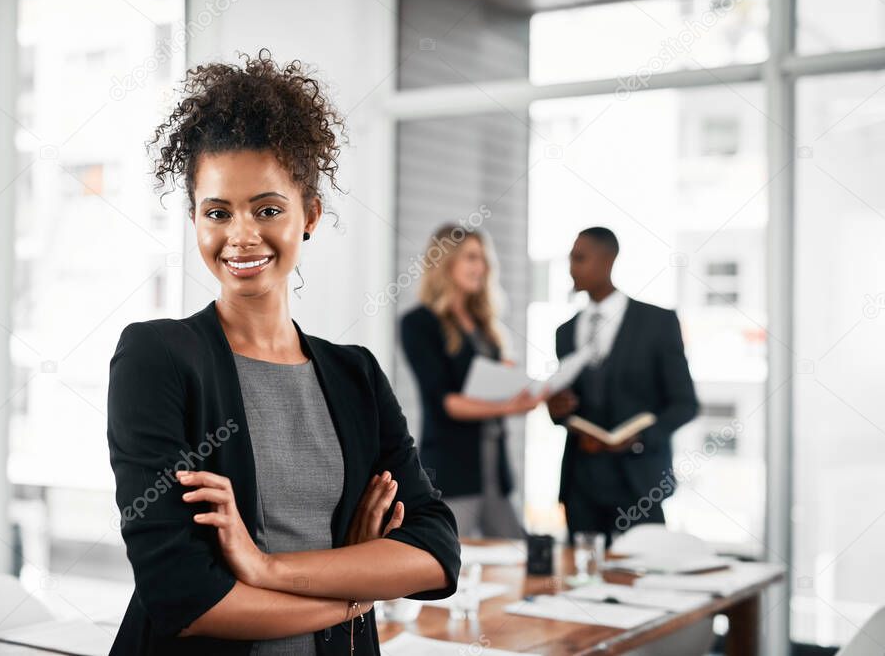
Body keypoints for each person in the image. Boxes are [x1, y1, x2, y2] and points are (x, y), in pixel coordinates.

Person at [106, 50, 459, 656]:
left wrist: (265, 568)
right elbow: (184, 600)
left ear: (310, 216)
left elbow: (436, 552)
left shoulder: (356, 375)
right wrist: (355, 586)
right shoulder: (156, 357)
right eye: (218, 212)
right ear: (195, 220)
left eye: (268, 209)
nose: (242, 235)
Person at [548, 227, 699, 547]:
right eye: (570, 259)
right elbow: (564, 405)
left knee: (643, 576)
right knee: (582, 578)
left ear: (608, 260)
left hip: (639, 482)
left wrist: (641, 437)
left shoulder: (657, 323)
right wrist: (557, 410)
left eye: (580, 258)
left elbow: (685, 403)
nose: (571, 268)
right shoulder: (565, 332)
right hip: (582, 483)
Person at [400, 225, 545, 539]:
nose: (481, 267)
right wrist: (508, 405)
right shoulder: (419, 324)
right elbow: (447, 402)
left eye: (483, 259)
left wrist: (514, 388)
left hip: (494, 470)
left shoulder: (485, 326)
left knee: (516, 554)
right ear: (446, 262)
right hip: (452, 471)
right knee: (451, 564)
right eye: (471, 258)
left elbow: (486, 390)